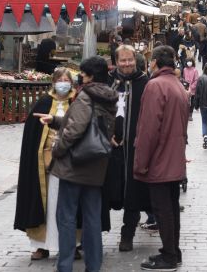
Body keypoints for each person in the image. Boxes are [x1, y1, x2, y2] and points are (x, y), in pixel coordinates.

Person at [35, 56, 118, 272]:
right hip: (96, 164)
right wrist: (55, 120)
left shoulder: (85, 97)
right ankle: (93, 266)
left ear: (90, 75)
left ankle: (65, 266)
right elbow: (91, 125)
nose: (80, 76)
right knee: (92, 220)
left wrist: (57, 150)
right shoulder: (108, 97)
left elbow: (76, 129)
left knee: (66, 218)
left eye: (83, 73)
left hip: (75, 165)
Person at [134, 46, 190, 271]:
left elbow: (148, 129)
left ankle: (168, 255)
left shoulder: (155, 85)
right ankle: (173, 251)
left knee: (163, 209)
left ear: (155, 62)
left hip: (159, 158)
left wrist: (141, 163)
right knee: (171, 207)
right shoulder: (177, 85)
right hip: (173, 157)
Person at [14, 67, 76, 260]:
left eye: (67, 79)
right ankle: (42, 245)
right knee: (45, 204)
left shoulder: (77, 102)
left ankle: (72, 245)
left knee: (69, 205)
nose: (63, 83)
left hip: (71, 166)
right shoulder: (43, 103)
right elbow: (32, 135)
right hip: (45, 166)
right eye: (60, 79)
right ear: (54, 83)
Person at [109, 45, 150, 252]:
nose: (127, 64)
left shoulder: (145, 83)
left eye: (130, 60)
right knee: (107, 189)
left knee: (133, 191)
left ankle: (128, 234)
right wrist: (107, 135)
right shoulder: (109, 83)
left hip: (135, 148)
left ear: (136, 59)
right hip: (110, 149)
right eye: (122, 60)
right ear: (116, 62)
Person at [183, 57, 199, 122]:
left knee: (192, 102)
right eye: (188, 61)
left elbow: (196, 80)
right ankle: (186, 114)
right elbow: (184, 77)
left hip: (193, 89)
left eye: (190, 61)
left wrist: (192, 87)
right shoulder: (184, 69)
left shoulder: (195, 70)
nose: (189, 62)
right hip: (186, 88)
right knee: (186, 102)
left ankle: (190, 114)